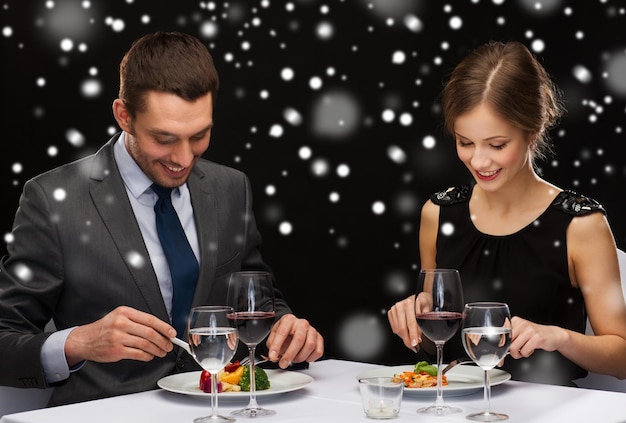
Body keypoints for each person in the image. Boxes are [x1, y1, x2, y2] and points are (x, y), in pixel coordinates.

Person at [0, 31, 323, 406]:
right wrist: (79, 342)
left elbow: (252, 299)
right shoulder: (53, 201)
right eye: (164, 138)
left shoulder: (231, 188)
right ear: (124, 115)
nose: (184, 159)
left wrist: (285, 328)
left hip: (221, 409)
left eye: (200, 135)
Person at [387, 40, 626, 386]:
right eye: (464, 142)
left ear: (534, 130)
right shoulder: (437, 213)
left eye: (497, 145)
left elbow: (622, 358)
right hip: (457, 407)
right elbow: (434, 347)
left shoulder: (581, 225)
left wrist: (558, 337)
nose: (479, 161)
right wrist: (414, 316)